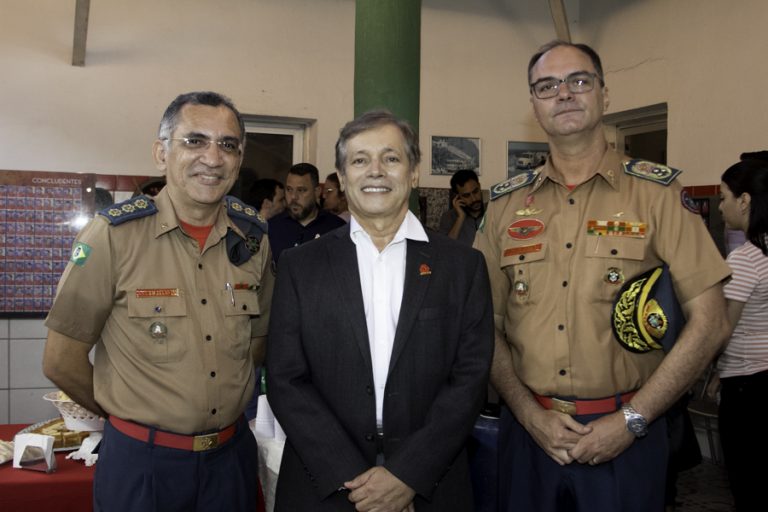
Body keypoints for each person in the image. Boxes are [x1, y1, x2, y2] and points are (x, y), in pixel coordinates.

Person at [473, 41, 731, 511]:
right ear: (534, 105)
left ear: (604, 95)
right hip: (530, 438)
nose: (564, 94)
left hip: (628, 438)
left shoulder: (657, 195)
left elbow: (711, 320)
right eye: (547, 86)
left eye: (579, 80)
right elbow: (481, 325)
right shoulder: (504, 206)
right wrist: (530, 415)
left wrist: (632, 419)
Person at [42, 91, 274, 512]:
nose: (213, 157)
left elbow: (257, 345)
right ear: (161, 153)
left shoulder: (254, 241)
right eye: (195, 141)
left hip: (230, 462)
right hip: (142, 466)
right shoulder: (113, 237)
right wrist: (126, 414)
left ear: (238, 160)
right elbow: (60, 360)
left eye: (228, 145)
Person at [266, 110, 494, 511]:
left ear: (414, 172)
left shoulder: (462, 266)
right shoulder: (300, 266)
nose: (375, 171)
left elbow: (470, 379)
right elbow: (286, 379)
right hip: (326, 483)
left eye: (390, 158)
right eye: (359, 160)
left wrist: (407, 475)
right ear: (340, 176)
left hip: (430, 483)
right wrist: (356, 481)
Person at [710, 159, 768, 511]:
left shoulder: (746, 259)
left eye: (723, 197)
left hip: (748, 387)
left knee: (749, 483)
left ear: (744, 200)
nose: (720, 206)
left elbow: (721, 329)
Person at [268, 162, 345, 262]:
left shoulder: (336, 228)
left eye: (301, 190)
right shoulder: (272, 228)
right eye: (289, 189)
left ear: (317, 192)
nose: (293, 197)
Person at [438, 169, 485, 245]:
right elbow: (445, 248)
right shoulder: (448, 217)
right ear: (458, 197)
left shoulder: (492, 211)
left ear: (479, 186)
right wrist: (460, 218)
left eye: (475, 191)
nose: (474, 199)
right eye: (466, 196)